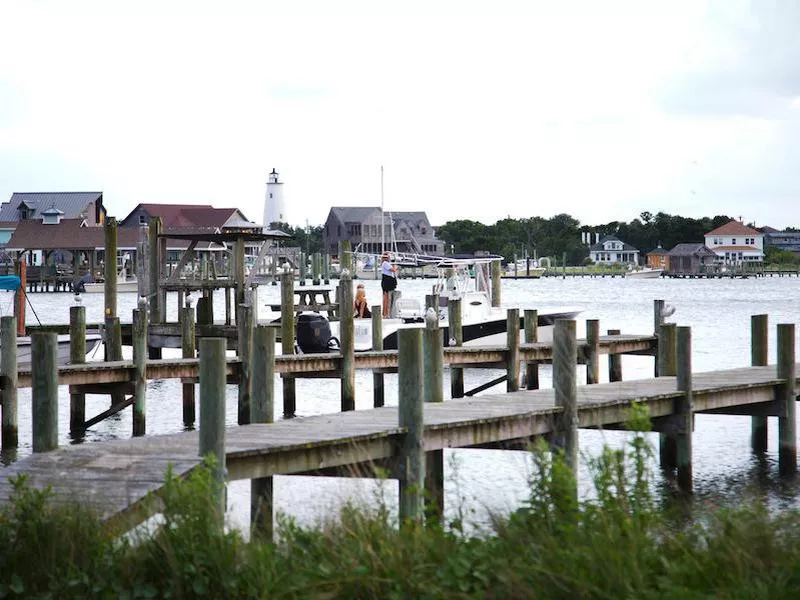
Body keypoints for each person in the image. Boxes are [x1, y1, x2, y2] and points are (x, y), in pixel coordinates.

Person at [380, 252, 398, 318]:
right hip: (387, 281)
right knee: (386, 299)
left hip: (389, 280)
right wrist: (396, 266)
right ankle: (385, 314)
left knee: (387, 298)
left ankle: (386, 313)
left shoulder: (387, 263)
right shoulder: (385, 263)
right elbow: (393, 270)